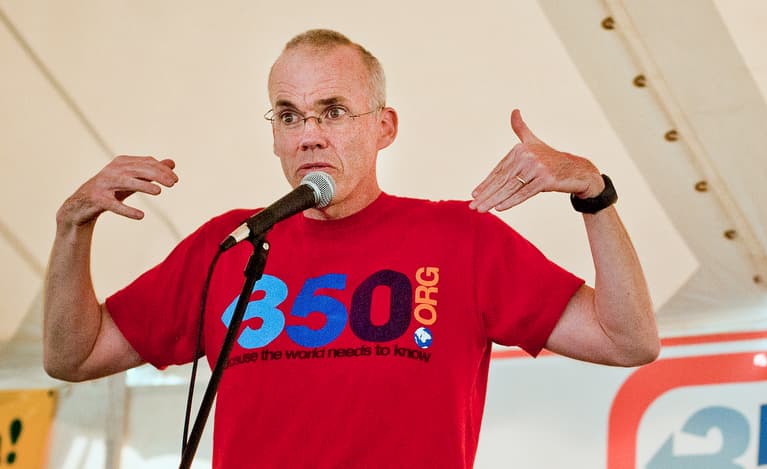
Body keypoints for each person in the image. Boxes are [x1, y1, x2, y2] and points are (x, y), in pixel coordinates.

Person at [43, 29, 659, 468]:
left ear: (383, 127)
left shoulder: (460, 239)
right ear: (276, 138)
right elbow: (75, 355)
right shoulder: (230, 243)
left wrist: (594, 194)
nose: (308, 134)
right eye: (288, 116)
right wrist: (73, 228)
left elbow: (628, 339)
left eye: (331, 111)